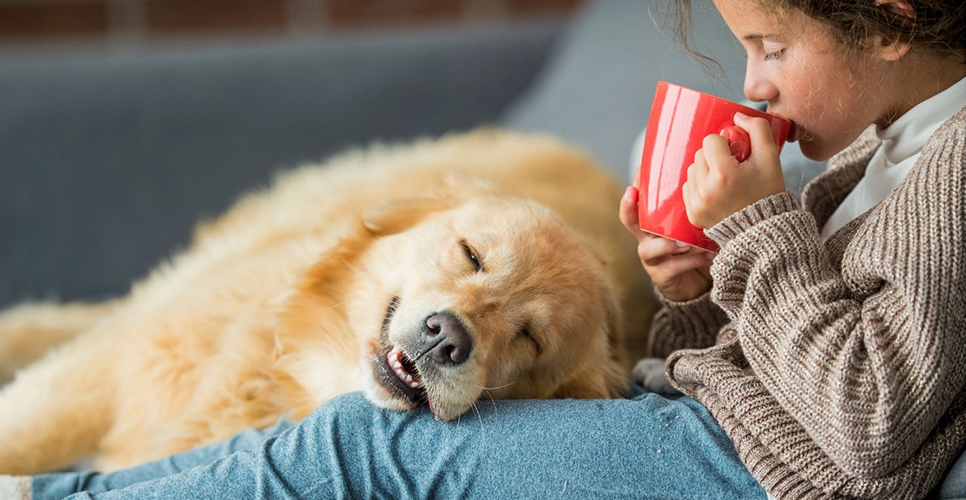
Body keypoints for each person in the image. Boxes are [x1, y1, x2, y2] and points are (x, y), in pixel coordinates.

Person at [1, 0, 963, 498]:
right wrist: (710, 283)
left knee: (364, 445)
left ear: (889, 23)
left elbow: (870, 421)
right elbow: (790, 357)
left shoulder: (955, 163)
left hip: (753, 475)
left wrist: (760, 227)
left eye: (770, 46)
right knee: (348, 435)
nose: (756, 84)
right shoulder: (893, 145)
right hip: (725, 438)